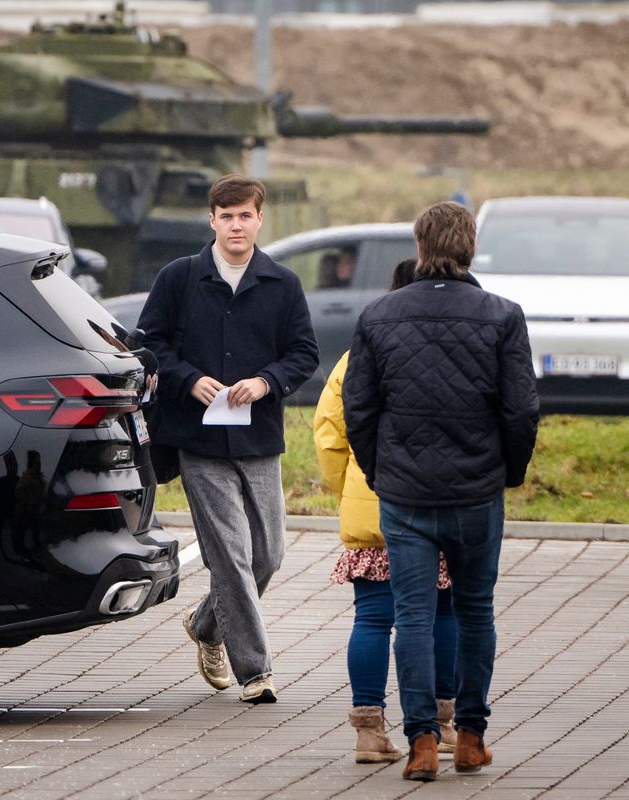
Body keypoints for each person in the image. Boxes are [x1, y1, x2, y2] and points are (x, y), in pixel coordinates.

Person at [343, 201, 538, 780]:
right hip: (477, 492)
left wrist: (383, 472)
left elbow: (358, 409)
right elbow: (521, 409)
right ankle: (471, 737)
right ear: (470, 248)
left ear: (420, 247)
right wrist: (509, 471)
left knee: (412, 615)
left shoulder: (378, 316)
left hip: (405, 495)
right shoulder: (503, 316)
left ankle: (423, 742)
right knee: (476, 613)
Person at [139, 174, 319, 704]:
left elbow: (304, 353)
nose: (236, 224)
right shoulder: (180, 278)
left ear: (260, 220)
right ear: (211, 220)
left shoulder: (282, 283)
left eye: (245, 215)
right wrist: (189, 378)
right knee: (231, 558)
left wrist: (266, 382)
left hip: (260, 439)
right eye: (226, 215)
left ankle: (206, 625)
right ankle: (255, 671)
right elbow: (150, 346)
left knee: (267, 556)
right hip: (198, 443)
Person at [314, 259, 458, 765]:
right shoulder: (448, 347)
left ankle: (368, 733)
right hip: (438, 498)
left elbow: (330, 433)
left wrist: (351, 487)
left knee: (373, 618)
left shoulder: (360, 352)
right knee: (443, 612)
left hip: (372, 503)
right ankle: (444, 726)